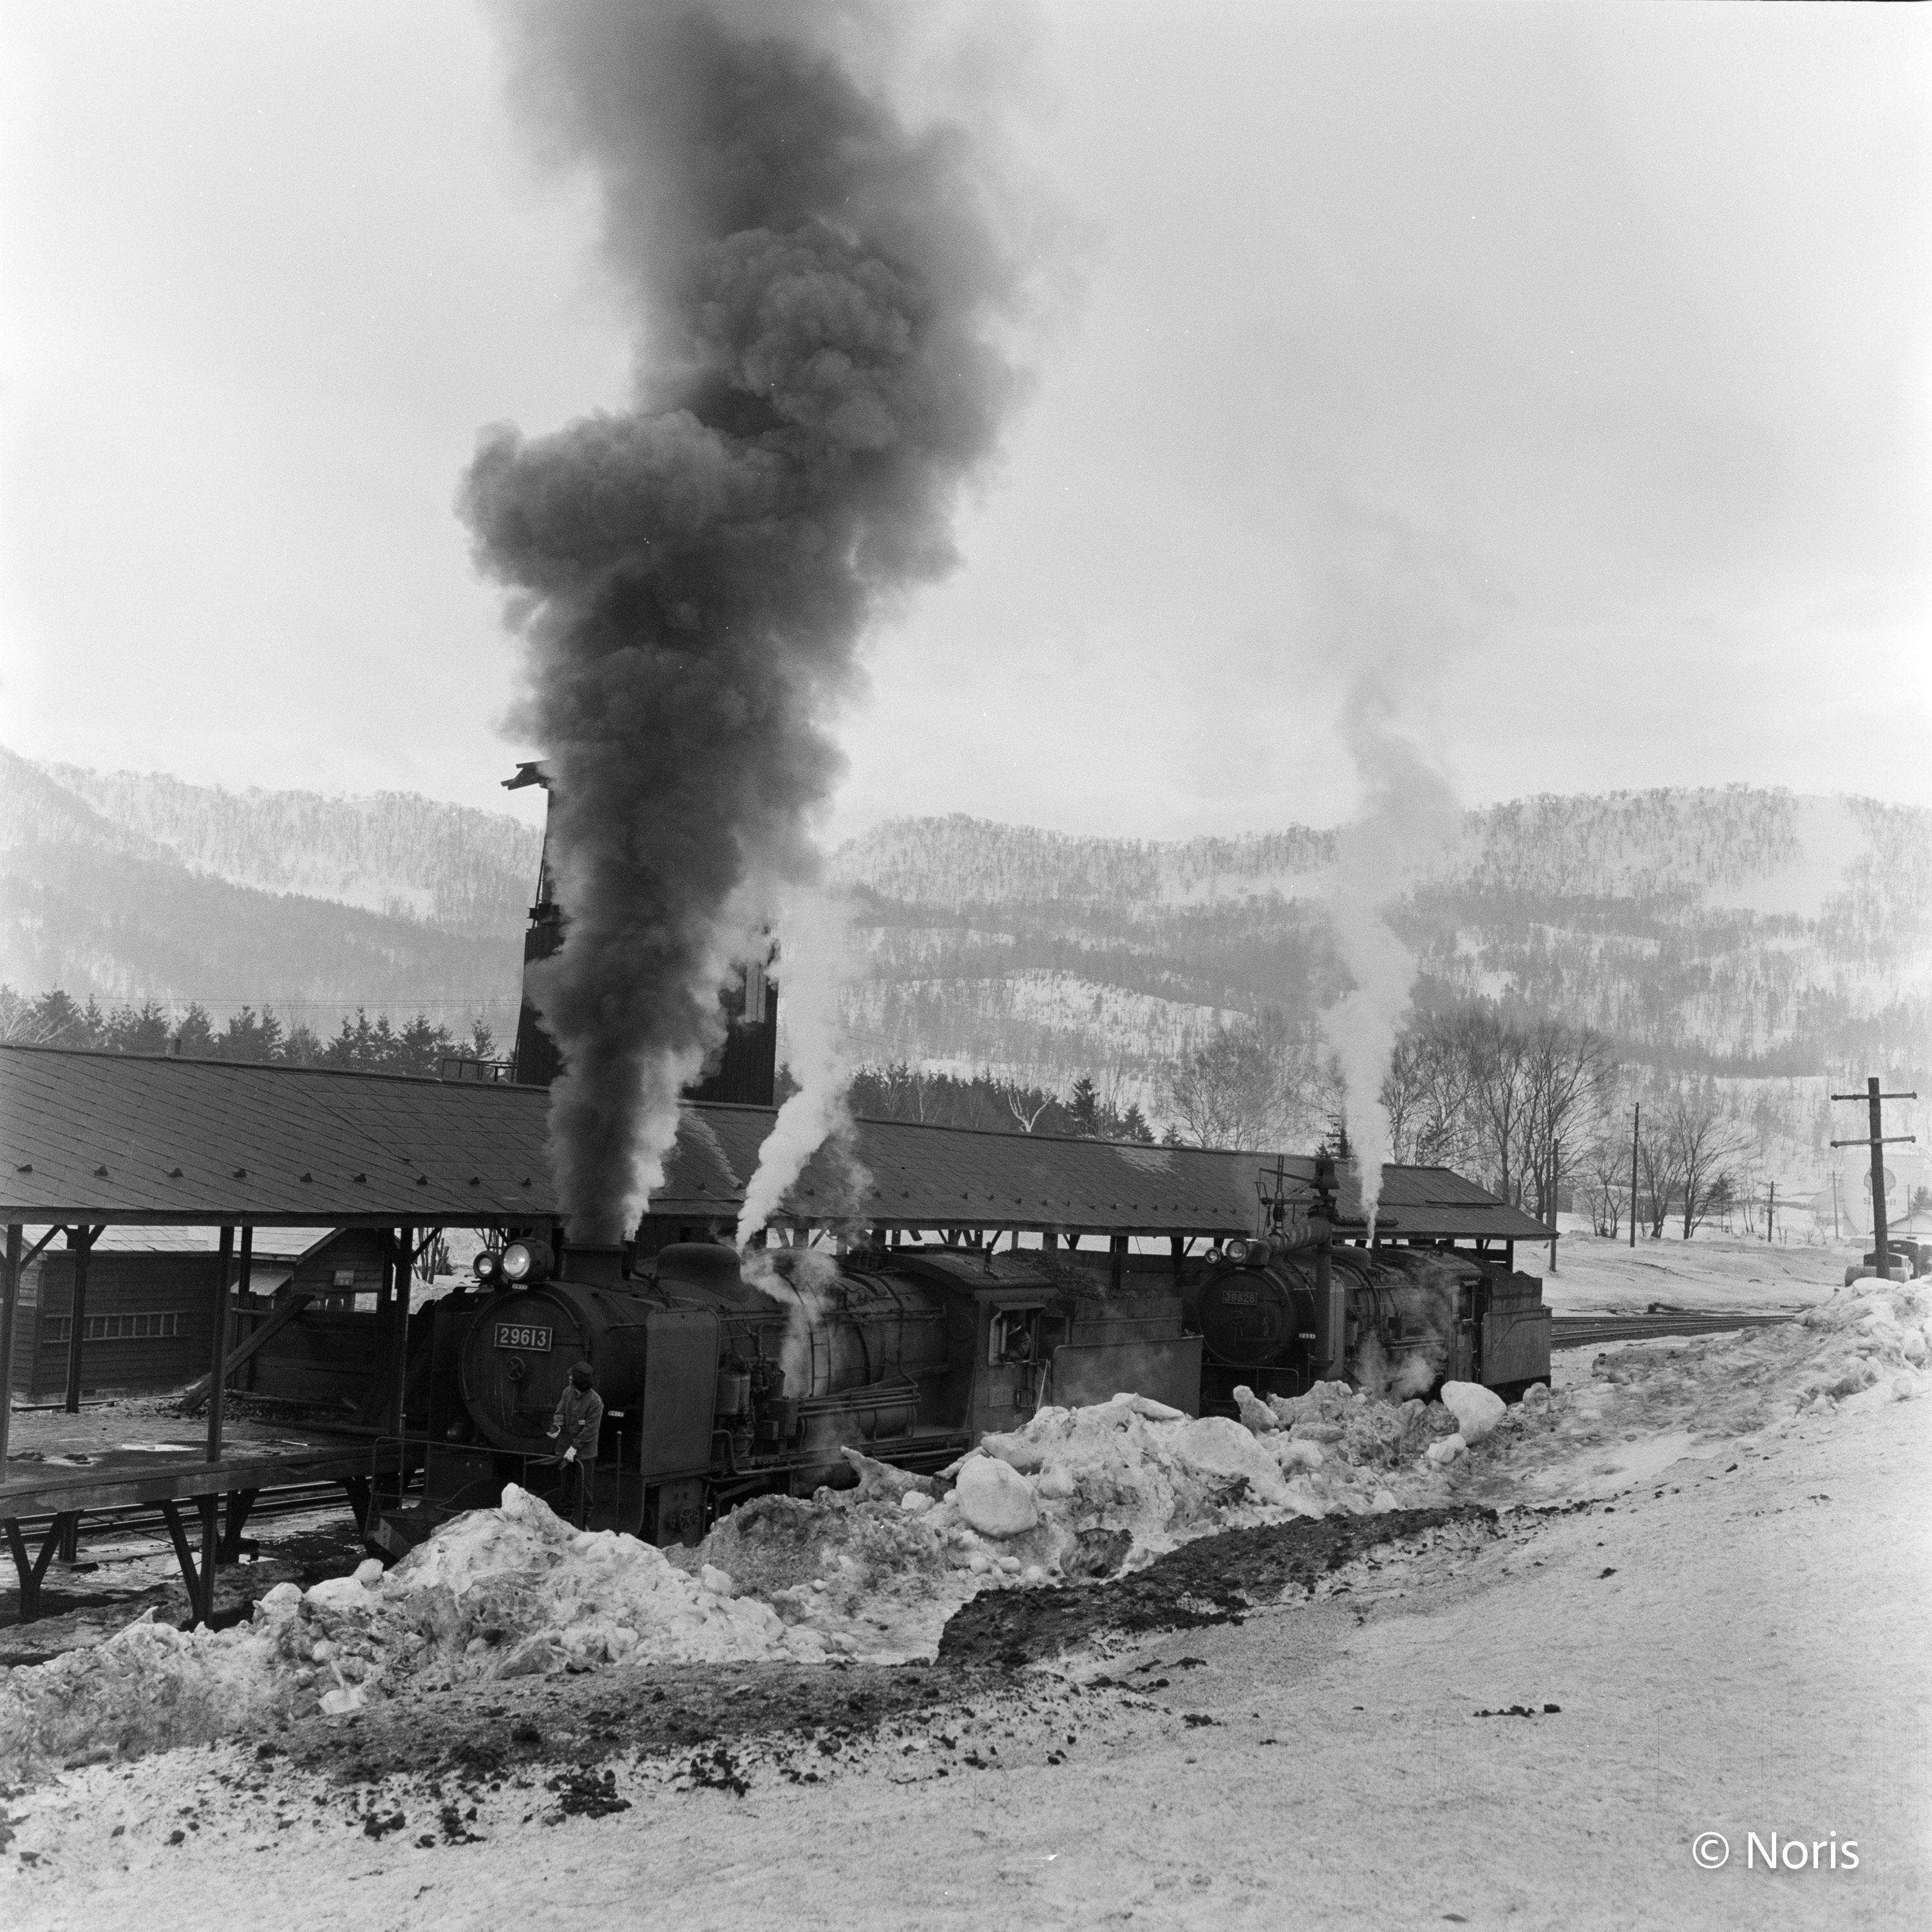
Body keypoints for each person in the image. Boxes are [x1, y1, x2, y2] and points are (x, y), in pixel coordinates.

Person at [548, 1360, 603, 1529]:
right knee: (566, 1489)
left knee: (584, 1490)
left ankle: (584, 1524)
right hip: (565, 1448)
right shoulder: (568, 1392)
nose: (570, 1377)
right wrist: (557, 1426)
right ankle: (567, 1520)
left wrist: (575, 1447)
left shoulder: (595, 1402)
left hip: (584, 1453)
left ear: (578, 1379)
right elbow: (560, 1411)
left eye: (572, 1376)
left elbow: (590, 1429)